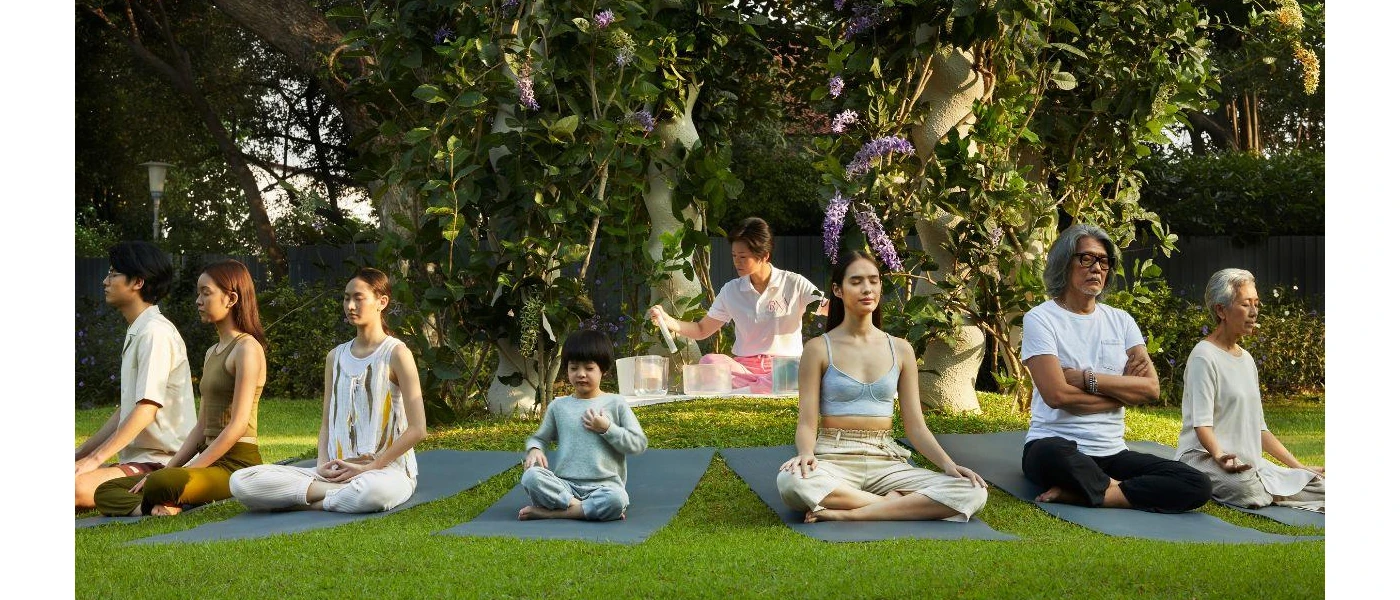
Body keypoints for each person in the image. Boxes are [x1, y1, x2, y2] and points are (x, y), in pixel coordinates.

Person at [775, 250, 988, 522]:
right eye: (856, 281)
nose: (867, 289)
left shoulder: (901, 349)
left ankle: (849, 515)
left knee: (972, 492)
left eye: (874, 280)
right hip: (833, 457)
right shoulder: (818, 349)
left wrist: (949, 465)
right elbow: (806, 422)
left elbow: (916, 427)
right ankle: (892, 507)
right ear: (838, 290)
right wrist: (805, 454)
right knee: (791, 482)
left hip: (886, 459)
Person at [1020, 224, 1211, 512]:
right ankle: (1111, 489)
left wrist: (1088, 379)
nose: (1097, 267)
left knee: (1196, 483)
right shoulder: (1041, 318)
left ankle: (1094, 492)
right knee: (1049, 452)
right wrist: (1120, 395)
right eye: (1086, 258)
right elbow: (1057, 396)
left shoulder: (1121, 321)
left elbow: (1151, 389)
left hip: (1111, 453)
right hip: (1056, 446)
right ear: (1064, 262)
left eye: (1104, 261)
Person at [228, 267, 426, 513]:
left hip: (384, 472)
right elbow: (326, 423)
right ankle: (333, 494)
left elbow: (418, 429)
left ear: (381, 302)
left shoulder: (396, 354)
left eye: (358, 297)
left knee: (373, 493)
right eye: (346, 297)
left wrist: (368, 469)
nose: (350, 305)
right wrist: (322, 465)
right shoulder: (336, 357)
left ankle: (305, 502)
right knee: (241, 482)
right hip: (333, 473)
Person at [93, 260, 267, 516]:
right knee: (105, 490)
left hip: (236, 465)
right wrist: (170, 468)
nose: (198, 300)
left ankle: (166, 495)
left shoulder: (247, 349)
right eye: (199, 293)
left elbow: (237, 425)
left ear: (231, 298)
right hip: (208, 460)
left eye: (206, 293)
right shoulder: (211, 353)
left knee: (162, 483)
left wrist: (188, 471)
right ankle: (154, 509)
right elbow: (201, 427)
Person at [1175, 268, 1324, 511]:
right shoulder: (1204, 356)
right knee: (1248, 491)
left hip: (1246, 461)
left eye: (1256, 304)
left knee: (1321, 485)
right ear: (1221, 310)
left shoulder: (1247, 359)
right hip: (1203, 457)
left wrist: (1298, 466)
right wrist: (1220, 456)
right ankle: (1271, 488)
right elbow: (1201, 426)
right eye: (1246, 305)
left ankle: (1274, 486)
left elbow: (1260, 429)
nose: (1254, 312)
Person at [75, 241, 196, 511]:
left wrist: (94, 461)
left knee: (74, 489)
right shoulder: (139, 331)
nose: (105, 281)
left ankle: (164, 499)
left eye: (113, 273)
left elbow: (146, 409)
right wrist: (81, 454)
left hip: (162, 462)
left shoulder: (155, 333)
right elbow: (126, 411)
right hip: (137, 460)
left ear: (138, 282)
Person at [649, 217, 826, 393]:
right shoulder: (731, 290)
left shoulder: (794, 283)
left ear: (764, 256)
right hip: (745, 369)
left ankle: (753, 387)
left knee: (801, 369)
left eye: (743, 257)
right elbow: (702, 330)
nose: (736, 262)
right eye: (734, 256)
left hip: (785, 366)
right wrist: (668, 320)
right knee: (709, 363)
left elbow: (828, 307)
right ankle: (763, 386)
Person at [519, 329, 648, 521]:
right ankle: (580, 508)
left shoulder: (616, 403)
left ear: (603, 369)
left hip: (605, 487)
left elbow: (638, 444)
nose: (581, 374)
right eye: (573, 368)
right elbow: (539, 438)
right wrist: (535, 449)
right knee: (531, 477)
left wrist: (607, 429)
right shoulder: (558, 406)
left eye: (589, 368)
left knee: (617, 499)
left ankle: (552, 513)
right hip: (565, 487)